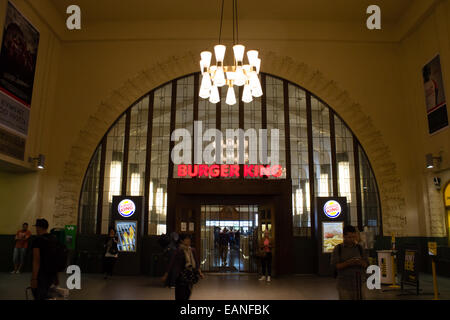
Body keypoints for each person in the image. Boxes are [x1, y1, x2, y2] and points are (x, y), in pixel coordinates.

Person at [331, 225, 369, 300]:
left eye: (354, 237)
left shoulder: (360, 248)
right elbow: (335, 266)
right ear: (344, 236)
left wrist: (360, 262)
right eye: (349, 237)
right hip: (344, 285)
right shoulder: (338, 249)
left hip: (359, 284)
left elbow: (366, 264)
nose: (352, 239)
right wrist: (349, 263)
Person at [162, 234, 204, 300]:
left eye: (189, 239)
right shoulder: (178, 251)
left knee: (188, 293)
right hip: (180, 275)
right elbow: (171, 263)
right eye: (186, 239)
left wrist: (200, 272)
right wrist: (166, 274)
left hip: (190, 274)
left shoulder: (192, 250)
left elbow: (196, 262)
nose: (189, 240)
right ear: (181, 241)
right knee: (180, 294)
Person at [30, 219, 58, 300]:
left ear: (39, 227)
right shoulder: (54, 239)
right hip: (52, 275)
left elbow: (36, 261)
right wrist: (56, 277)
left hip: (41, 275)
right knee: (49, 297)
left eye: (37, 227)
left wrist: (34, 278)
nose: (36, 229)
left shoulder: (37, 240)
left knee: (39, 296)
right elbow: (55, 259)